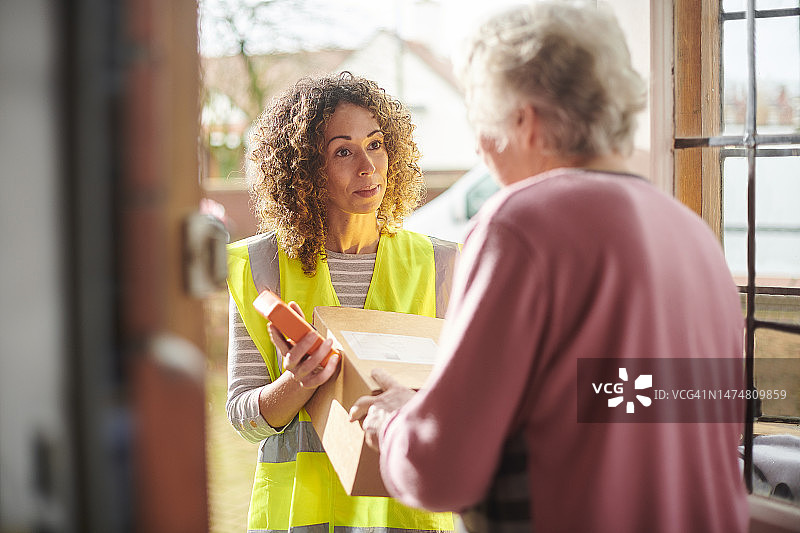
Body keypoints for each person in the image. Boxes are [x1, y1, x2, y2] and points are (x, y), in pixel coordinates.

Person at [349, 3, 749, 533]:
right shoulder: (694, 235)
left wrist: (395, 417)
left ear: (525, 120)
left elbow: (442, 470)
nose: (478, 146)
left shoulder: (522, 225)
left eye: (482, 122)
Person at [225, 72, 458, 533]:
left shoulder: (441, 262)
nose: (368, 167)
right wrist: (299, 381)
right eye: (343, 151)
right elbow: (245, 419)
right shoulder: (260, 265)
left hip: (409, 516)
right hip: (300, 519)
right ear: (306, 169)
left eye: (375, 144)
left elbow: (468, 405)